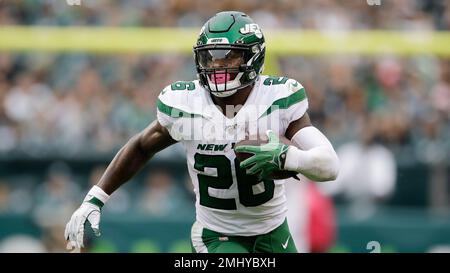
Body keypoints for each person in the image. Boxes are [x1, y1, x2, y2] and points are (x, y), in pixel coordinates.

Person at [65, 11, 339, 253]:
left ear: (253, 56)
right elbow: (141, 146)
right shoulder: (185, 105)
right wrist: (95, 198)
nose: (217, 66)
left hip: (274, 231)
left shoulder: (278, 99)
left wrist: (284, 157)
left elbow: (329, 166)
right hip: (218, 236)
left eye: (228, 57)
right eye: (209, 57)